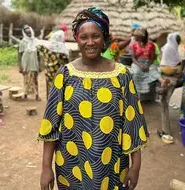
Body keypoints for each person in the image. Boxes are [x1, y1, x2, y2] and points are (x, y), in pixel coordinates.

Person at [38, 7, 148, 190]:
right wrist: (45, 168)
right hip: (71, 165)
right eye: (84, 37)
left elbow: (132, 122)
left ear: (104, 37)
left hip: (112, 166)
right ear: (76, 39)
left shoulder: (121, 75)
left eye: (96, 36)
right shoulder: (65, 75)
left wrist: (135, 166)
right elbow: (51, 124)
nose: (90, 42)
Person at [130, 27, 170, 94]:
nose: (134, 37)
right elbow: (133, 58)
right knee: (136, 72)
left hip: (149, 62)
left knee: (152, 70)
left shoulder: (151, 45)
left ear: (142, 36)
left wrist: (148, 65)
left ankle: (162, 81)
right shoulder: (134, 45)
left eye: (136, 36)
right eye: (134, 35)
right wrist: (140, 66)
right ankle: (136, 91)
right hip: (137, 63)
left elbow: (152, 58)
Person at [37, 30, 69, 99]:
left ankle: (50, 102)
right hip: (59, 72)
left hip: (48, 71)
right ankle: (58, 102)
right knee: (59, 88)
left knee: (49, 87)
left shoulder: (47, 47)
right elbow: (66, 61)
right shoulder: (62, 49)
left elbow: (39, 47)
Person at [18, 25, 41, 101]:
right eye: (27, 33)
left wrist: (40, 65)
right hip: (25, 64)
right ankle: (25, 94)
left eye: (29, 32)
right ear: (24, 33)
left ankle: (37, 95)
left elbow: (39, 55)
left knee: (35, 79)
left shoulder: (36, 41)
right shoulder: (22, 42)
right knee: (26, 80)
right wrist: (20, 67)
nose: (29, 34)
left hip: (34, 64)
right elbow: (20, 55)